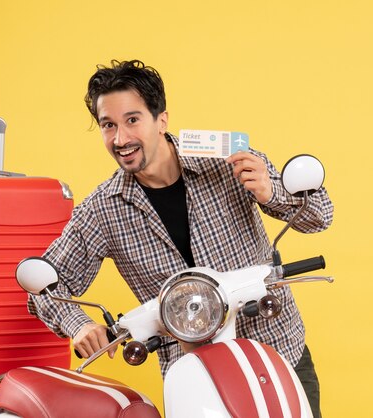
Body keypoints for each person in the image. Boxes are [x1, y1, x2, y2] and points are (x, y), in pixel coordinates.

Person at [28, 59, 333, 417]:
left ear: (162, 119)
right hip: (195, 381)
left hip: (277, 355)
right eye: (108, 125)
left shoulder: (227, 160)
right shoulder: (102, 210)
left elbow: (320, 215)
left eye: (132, 120)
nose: (121, 139)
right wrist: (78, 324)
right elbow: (44, 287)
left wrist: (271, 193)